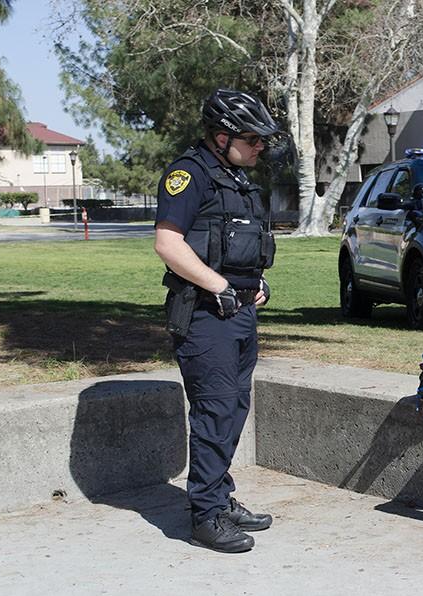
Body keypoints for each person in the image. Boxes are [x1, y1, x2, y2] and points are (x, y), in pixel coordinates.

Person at [154, 89, 279, 553]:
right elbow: (168, 243)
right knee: (215, 411)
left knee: (233, 410)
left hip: (240, 314)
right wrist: (219, 286)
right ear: (221, 136)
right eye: (252, 138)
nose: (260, 146)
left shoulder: (236, 177)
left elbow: (236, 245)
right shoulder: (190, 176)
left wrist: (254, 283)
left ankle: (220, 497)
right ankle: (205, 514)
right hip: (207, 317)